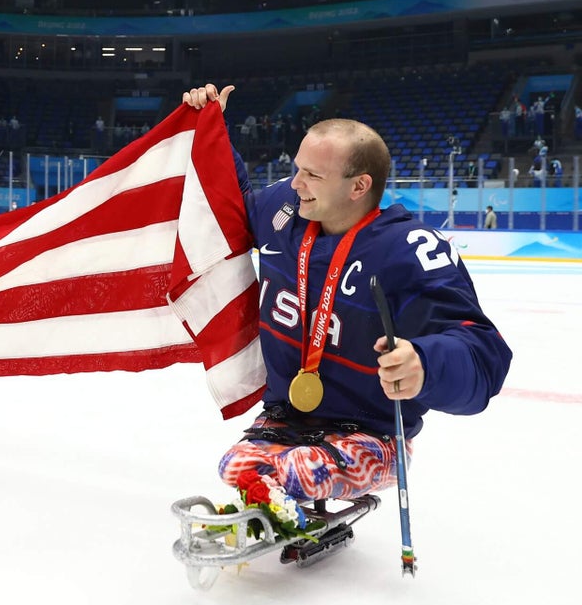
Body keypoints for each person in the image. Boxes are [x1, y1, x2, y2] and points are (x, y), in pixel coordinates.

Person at [182, 84, 512, 503]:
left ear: (359, 186)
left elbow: (483, 354)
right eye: (297, 169)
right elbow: (229, 209)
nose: (296, 183)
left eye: (313, 175)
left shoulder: (407, 250)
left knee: (300, 474)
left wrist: (424, 363)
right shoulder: (286, 210)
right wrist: (211, 130)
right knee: (237, 469)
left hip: (371, 432)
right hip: (287, 419)